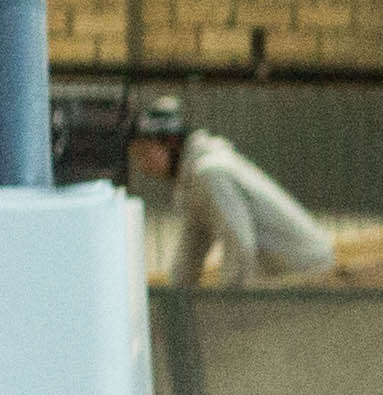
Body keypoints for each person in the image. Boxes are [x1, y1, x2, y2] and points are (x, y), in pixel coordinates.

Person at [127, 94, 335, 288]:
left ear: (171, 143)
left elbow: (239, 243)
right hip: (283, 274)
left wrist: (228, 303)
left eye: (145, 153)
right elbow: (192, 249)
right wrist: (175, 302)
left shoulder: (210, 171)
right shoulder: (192, 179)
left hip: (306, 274)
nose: (141, 165)